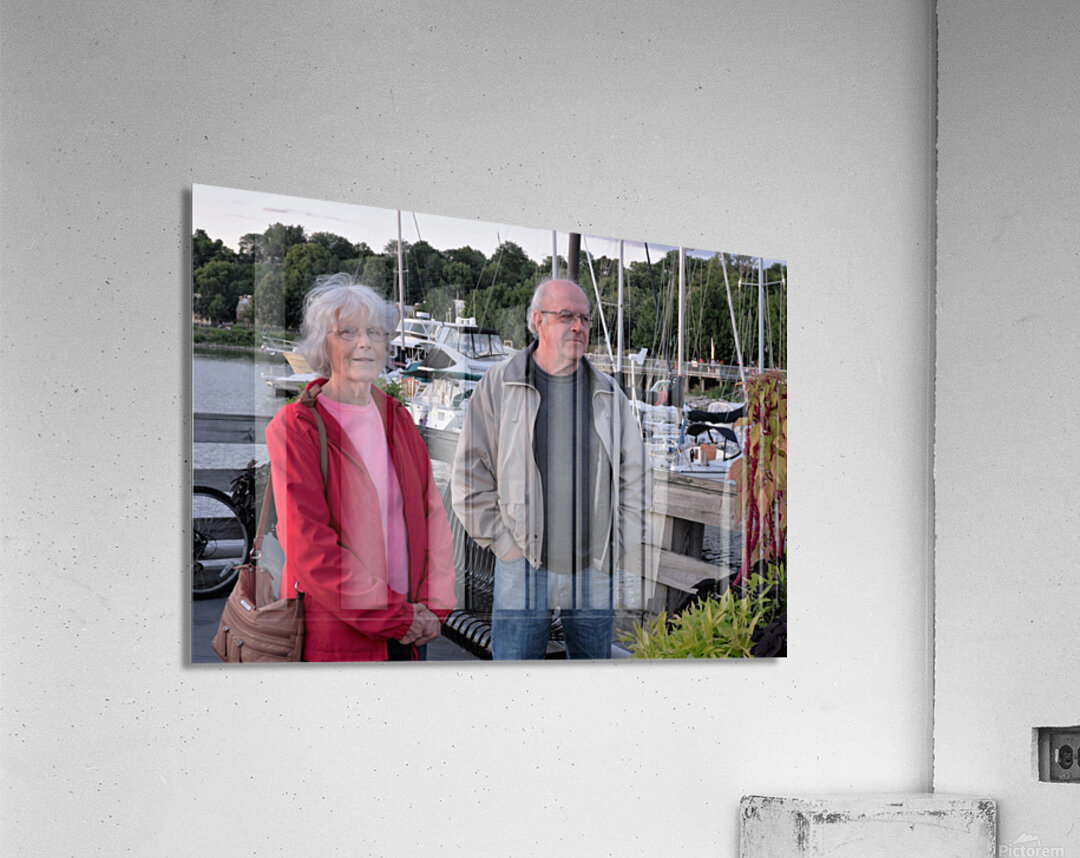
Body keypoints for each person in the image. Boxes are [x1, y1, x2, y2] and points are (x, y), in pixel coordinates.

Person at [451, 278, 649, 660]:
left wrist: (618, 544)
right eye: (566, 316)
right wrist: (505, 546)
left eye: (585, 319)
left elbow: (636, 476)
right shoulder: (501, 385)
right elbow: (469, 474)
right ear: (538, 321)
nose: (579, 326)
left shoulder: (608, 393)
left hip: (594, 568)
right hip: (523, 565)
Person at [265, 273, 455, 661]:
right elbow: (310, 548)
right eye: (348, 332)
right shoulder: (296, 427)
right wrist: (395, 616)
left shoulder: (398, 420)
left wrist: (435, 608)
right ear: (323, 345)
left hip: (409, 627)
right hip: (337, 635)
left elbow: (433, 517)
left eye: (375, 332)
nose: (365, 343)